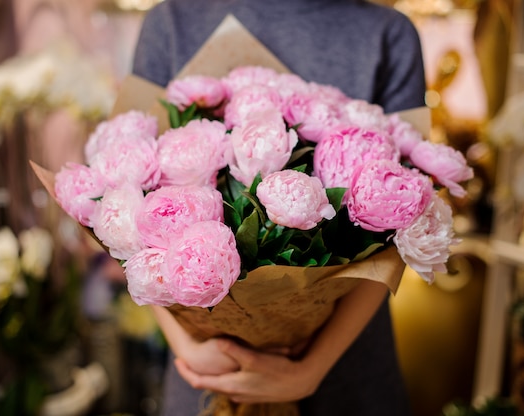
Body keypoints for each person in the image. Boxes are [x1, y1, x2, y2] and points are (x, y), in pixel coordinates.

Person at [132, 0, 426, 414]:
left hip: (347, 371)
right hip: (207, 377)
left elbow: (408, 223)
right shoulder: (171, 22)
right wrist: (189, 349)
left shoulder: (388, 34)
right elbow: (127, 210)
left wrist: (310, 369)